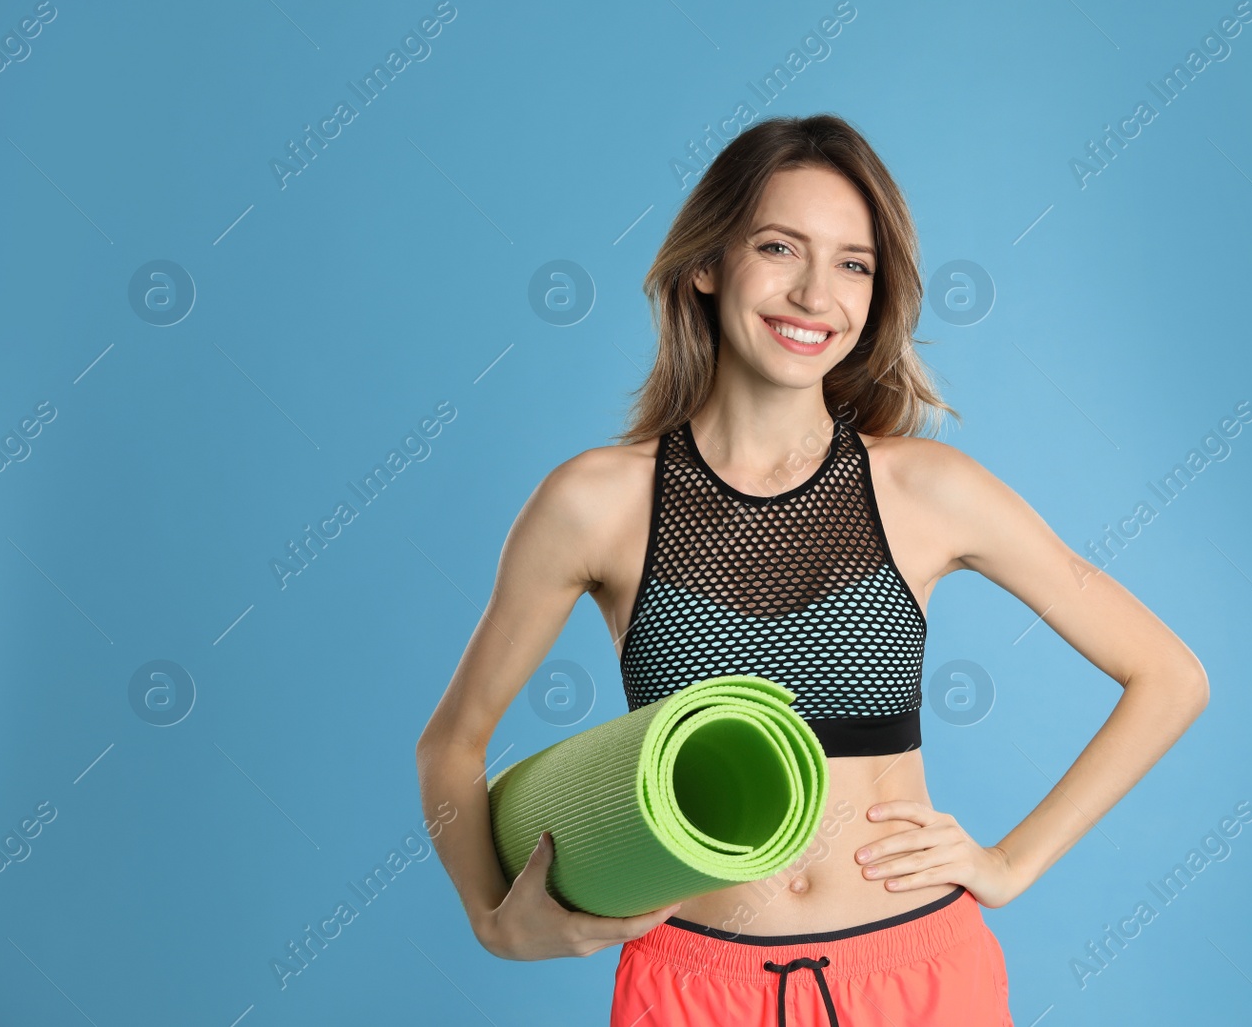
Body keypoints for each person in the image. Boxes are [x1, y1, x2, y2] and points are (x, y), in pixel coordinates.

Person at [415, 113, 1209, 1026]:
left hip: (919, 979)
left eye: (853, 263)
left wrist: (1009, 862)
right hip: (694, 985)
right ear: (706, 265)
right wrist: (491, 919)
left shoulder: (929, 490)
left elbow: (1169, 676)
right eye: (780, 247)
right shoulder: (596, 503)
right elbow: (453, 744)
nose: (813, 293)